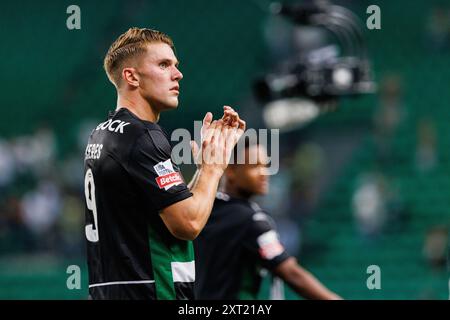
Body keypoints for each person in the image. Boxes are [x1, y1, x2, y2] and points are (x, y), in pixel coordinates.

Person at [84, 27, 245, 300]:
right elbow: (188, 223)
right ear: (131, 76)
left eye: (175, 65)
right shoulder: (143, 136)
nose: (178, 74)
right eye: (163, 64)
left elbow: (165, 206)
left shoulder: (102, 133)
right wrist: (213, 168)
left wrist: (204, 168)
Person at [194, 140, 341, 300]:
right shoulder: (252, 220)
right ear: (231, 171)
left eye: (266, 165)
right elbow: (292, 273)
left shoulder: (201, 211)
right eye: (255, 166)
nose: (265, 173)